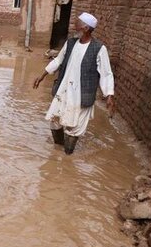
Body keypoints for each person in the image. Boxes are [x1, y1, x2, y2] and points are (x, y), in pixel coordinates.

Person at [33, 12, 115, 155]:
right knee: (55, 120)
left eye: (77, 24)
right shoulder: (70, 43)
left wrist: (109, 95)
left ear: (85, 28)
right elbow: (58, 60)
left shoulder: (99, 48)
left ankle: (67, 156)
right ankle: (57, 152)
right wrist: (42, 76)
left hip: (82, 95)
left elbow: (106, 73)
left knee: (75, 128)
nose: (74, 26)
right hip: (64, 91)